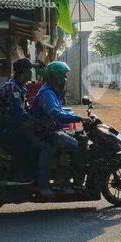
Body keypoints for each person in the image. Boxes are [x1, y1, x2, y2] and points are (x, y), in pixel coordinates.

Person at [0, 58, 56, 198]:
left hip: (9, 123)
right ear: (23, 72)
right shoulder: (13, 87)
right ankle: (24, 177)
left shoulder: (19, 86)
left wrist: (39, 118)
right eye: (29, 71)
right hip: (4, 127)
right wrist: (37, 122)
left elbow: (24, 111)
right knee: (38, 145)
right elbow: (18, 114)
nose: (32, 74)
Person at [31, 61, 87, 193]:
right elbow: (55, 113)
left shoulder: (52, 91)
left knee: (77, 138)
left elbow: (60, 111)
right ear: (56, 76)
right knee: (74, 145)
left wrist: (76, 117)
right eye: (64, 75)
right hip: (44, 133)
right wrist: (77, 118)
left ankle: (66, 180)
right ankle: (60, 183)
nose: (66, 79)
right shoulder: (47, 93)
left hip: (50, 130)